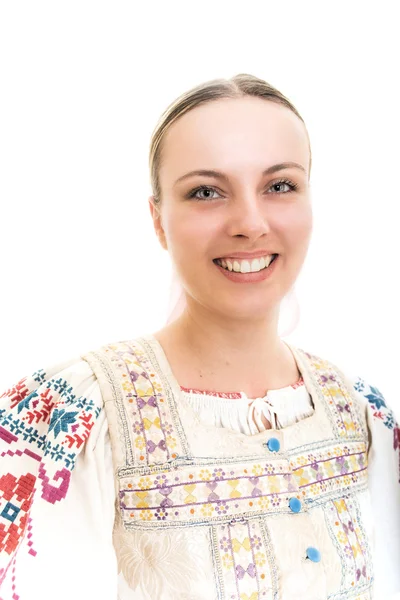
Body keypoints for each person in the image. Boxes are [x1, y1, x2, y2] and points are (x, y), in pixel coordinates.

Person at [1, 74, 399, 600]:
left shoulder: (361, 412)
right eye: (206, 192)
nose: (250, 223)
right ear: (158, 220)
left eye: (280, 185)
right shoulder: (74, 417)